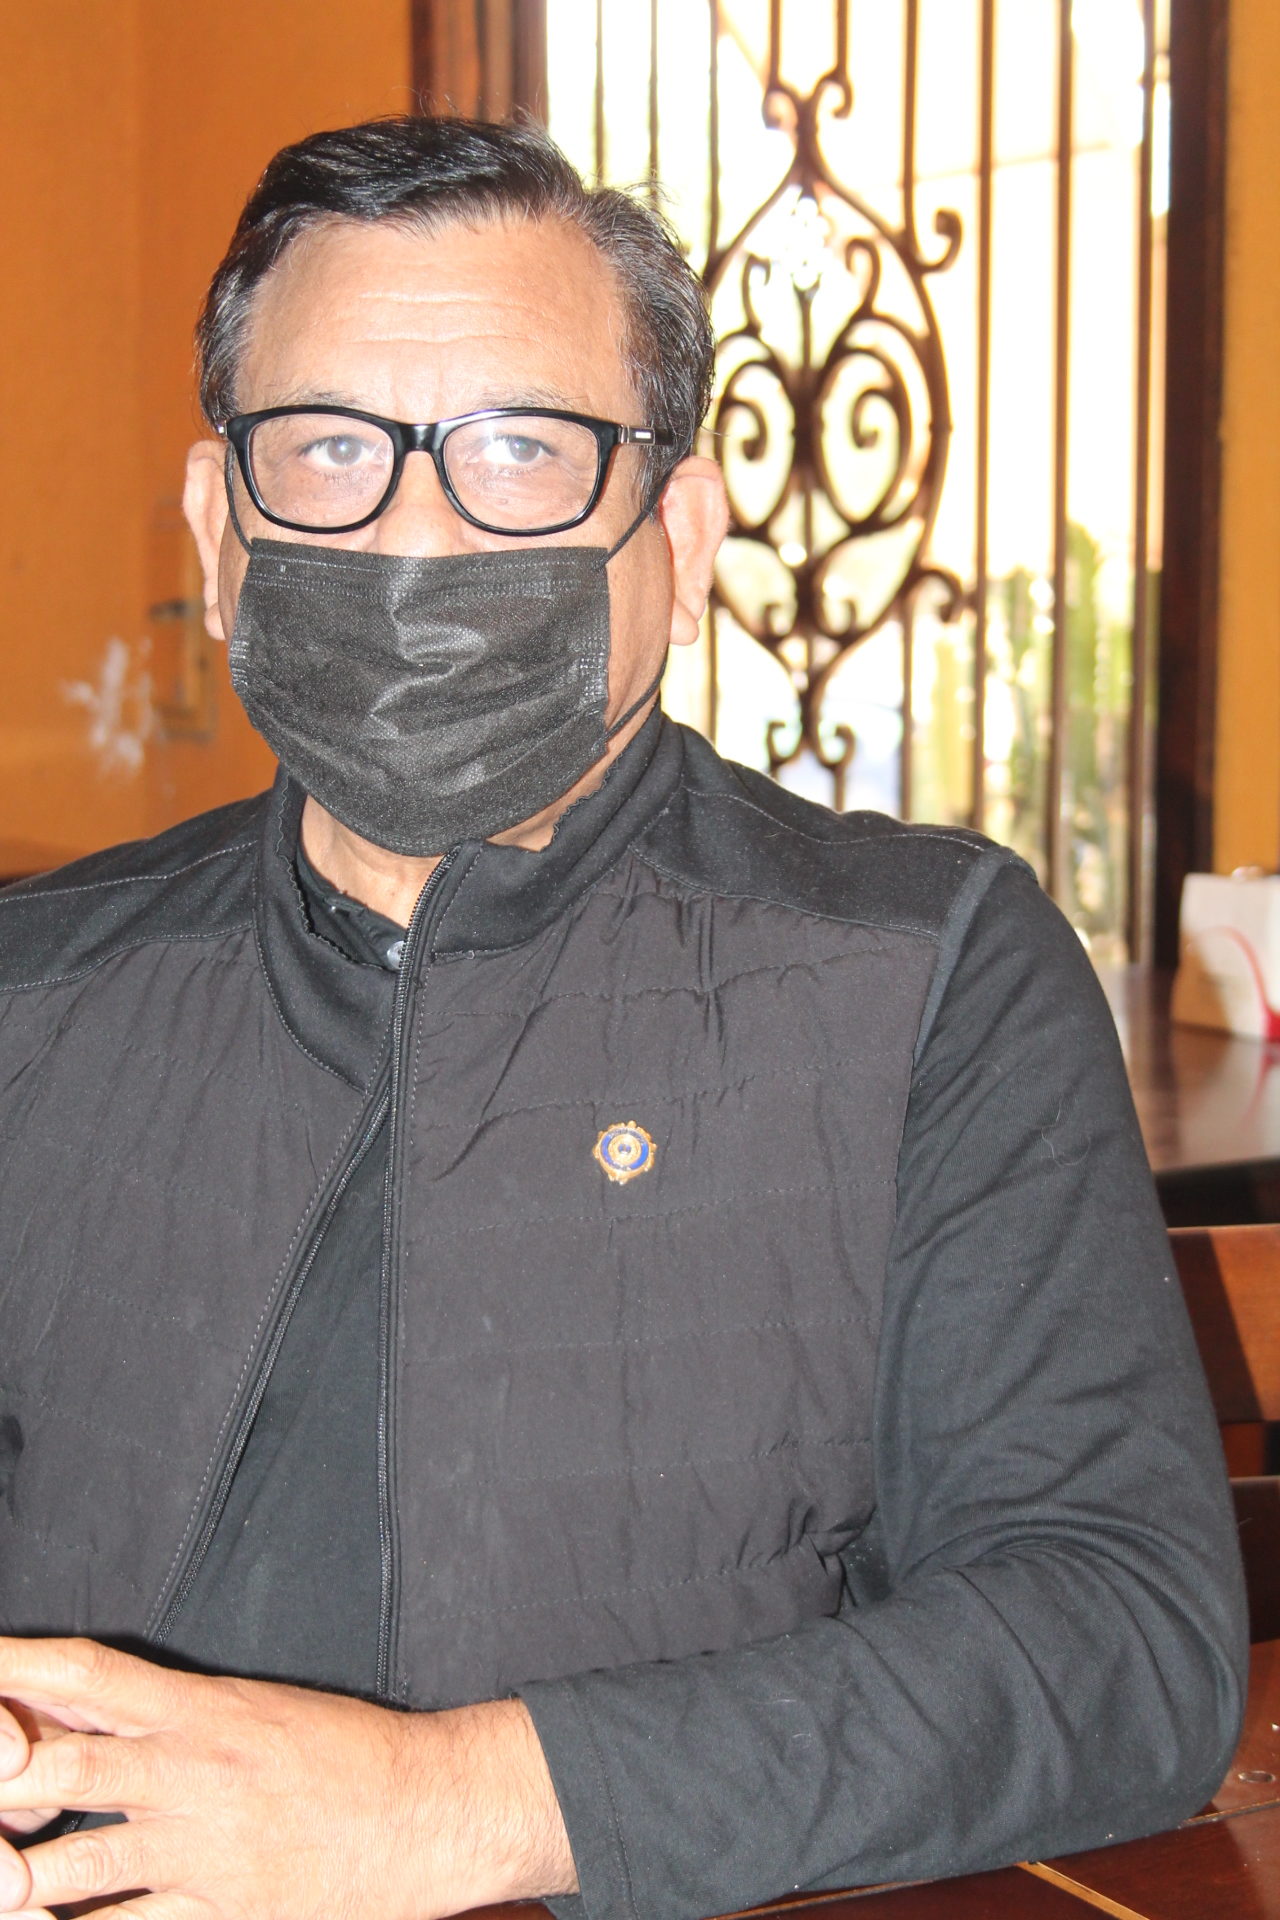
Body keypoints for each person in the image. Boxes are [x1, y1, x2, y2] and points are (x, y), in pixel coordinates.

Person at [0, 115, 1246, 1920]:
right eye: (330, 448)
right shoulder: (32, 993)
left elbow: (1121, 1641)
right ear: (221, 524)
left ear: (682, 529)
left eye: (519, 450)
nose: (415, 538)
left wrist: (454, 1805)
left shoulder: (925, 972)